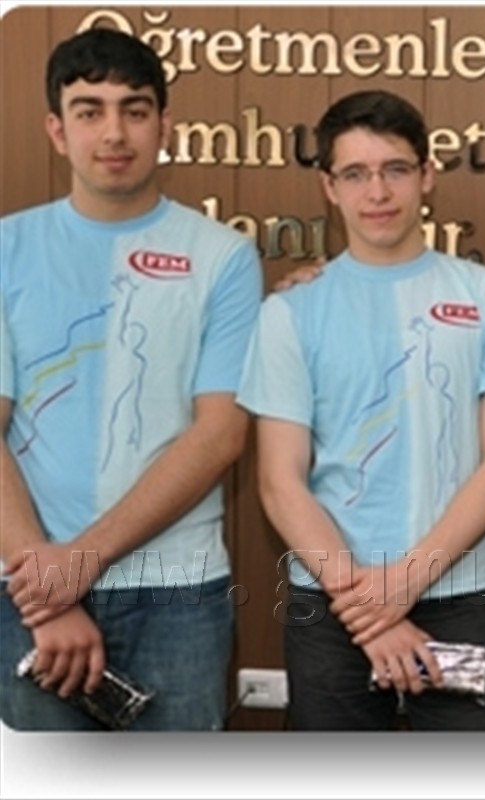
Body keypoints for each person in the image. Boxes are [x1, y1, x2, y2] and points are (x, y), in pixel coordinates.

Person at [236, 90, 485, 730]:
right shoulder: (289, 312)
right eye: (355, 173)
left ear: (426, 175)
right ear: (329, 186)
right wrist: (367, 609)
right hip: (333, 608)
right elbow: (279, 481)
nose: (377, 191)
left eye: (395, 169)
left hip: (460, 598)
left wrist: (405, 582)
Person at [0, 28, 262, 730]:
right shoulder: (6, 248)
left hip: (176, 594)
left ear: (164, 126)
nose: (114, 132)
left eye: (134, 109)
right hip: (22, 589)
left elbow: (220, 434)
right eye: (89, 111)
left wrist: (78, 563)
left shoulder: (225, 257)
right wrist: (48, 589)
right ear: (57, 130)